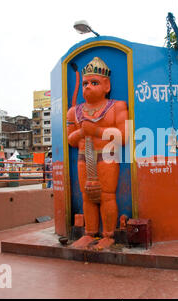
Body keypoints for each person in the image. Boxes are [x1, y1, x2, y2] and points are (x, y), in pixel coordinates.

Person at [67, 56, 128, 250]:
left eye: (94, 83)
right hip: (84, 158)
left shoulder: (117, 106)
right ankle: (89, 233)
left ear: (106, 85)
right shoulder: (74, 112)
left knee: (107, 195)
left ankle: (108, 234)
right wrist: (82, 132)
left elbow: (124, 136)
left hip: (107, 157)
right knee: (88, 196)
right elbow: (70, 139)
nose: (87, 87)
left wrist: (97, 132)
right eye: (85, 83)